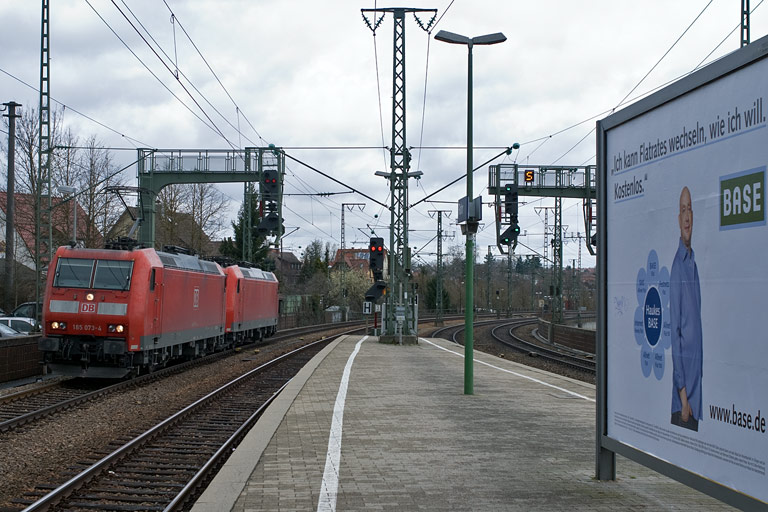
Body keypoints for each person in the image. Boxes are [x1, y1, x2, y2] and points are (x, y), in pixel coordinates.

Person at [670, 186, 703, 432]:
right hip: (685, 404)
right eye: (684, 210)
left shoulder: (693, 264)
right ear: (679, 219)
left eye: (690, 208)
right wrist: (683, 396)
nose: (688, 215)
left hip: (694, 395)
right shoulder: (678, 268)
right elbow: (676, 333)